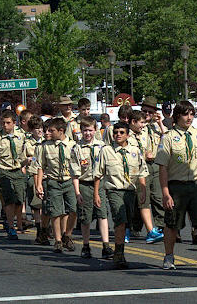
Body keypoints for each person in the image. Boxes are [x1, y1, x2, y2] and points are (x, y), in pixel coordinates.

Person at [156, 100, 197, 272]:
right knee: (172, 223)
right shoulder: (169, 137)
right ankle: (169, 256)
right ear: (177, 116)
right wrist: (165, 192)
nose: (189, 117)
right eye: (186, 114)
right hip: (176, 185)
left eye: (192, 114)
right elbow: (162, 167)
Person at [94, 121, 148, 269]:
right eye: (115, 132)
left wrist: (142, 191)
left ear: (127, 135)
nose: (118, 135)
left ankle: (120, 250)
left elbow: (142, 172)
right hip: (114, 190)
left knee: (126, 222)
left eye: (121, 132)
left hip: (130, 191)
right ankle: (119, 254)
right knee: (121, 219)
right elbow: (98, 174)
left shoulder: (135, 151)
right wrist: (96, 194)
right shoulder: (106, 151)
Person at [71, 115, 114, 259]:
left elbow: (107, 168)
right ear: (81, 131)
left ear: (95, 130)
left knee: (103, 214)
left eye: (90, 130)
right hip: (84, 184)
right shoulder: (76, 148)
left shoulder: (102, 147)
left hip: (100, 184)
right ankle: (86, 245)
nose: (87, 133)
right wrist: (77, 192)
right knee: (85, 217)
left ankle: (106, 246)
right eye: (84, 131)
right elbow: (75, 173)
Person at [35, 117, 78, 253]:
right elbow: (41, 166)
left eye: (52, 130)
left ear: (61, 131)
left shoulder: (73, 145)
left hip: (69, 181)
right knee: (55, 212)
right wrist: (39, 184)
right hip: (53, 181)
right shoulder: (45, 146)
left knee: (73, 210)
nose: (48, 133)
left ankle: (67, 235)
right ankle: (58, 240)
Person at [0, 109, 27, 240]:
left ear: (14, 123)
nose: (5, 125)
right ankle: (11, 227)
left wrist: (24, 166)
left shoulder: (21, 135)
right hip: (4, 170)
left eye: (7, 123)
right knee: (9, 200)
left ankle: (18, 223)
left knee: (19, 199)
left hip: (18, 170)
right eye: (3, 123)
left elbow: (24, 153)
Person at [127, 109, 164, 244]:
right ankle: (133, 228)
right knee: (138, 200)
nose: (143, 125)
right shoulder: (125, 135)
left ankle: (152, 230)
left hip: (147, 168)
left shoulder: (145, 132)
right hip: (134, 171)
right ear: (133, 122)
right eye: (141, 123)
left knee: (147, 198)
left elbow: (163, 136)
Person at [140, 96, 167, 231]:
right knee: (142, 197)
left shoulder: (157, 126)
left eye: (150, 112)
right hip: (142, 165)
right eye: (145, 111)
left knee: (158, 196)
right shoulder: (138, 125)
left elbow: (168, 136)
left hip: (156, 164)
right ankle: (137, 226)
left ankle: (160, 226)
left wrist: (160, 122)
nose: (147, 115)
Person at [24, 115, 47, 244]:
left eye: (41, 128)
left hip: (44, 175)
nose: (39, 131)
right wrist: (30, 159)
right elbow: (24, 158)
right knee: (36, 204)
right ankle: (39, 228)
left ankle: (45, 228)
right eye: (36, 128)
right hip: (33, 174)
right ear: (31, 130)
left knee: (46, 205)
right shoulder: (27, 143)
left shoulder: (46, 141)